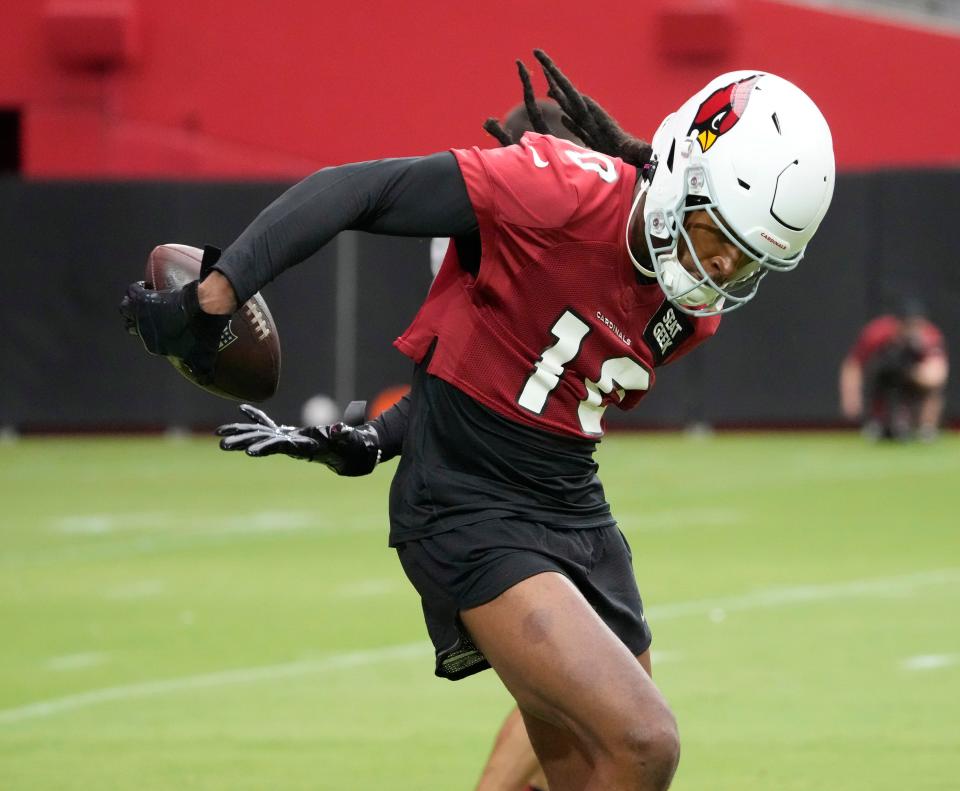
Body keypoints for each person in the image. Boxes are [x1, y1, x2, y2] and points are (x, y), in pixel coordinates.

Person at [121, 50, 835, 791]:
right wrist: (214, 297)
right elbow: (358, 190)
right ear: (686, 169)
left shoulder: (691, 315)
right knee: (644, 740)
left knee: (594, 764)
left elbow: (520, 384)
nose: (717, 269)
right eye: (715, 235)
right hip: (468, 502)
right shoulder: (558, 193)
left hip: (571, 503)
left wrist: (379, 436)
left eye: (743, 261)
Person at [840, 300, 948, 441]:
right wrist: (851, 398)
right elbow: (853, 364)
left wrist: (911, 373)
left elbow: (937, 374)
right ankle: (878, 422)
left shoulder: (929, 336)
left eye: (916, 325)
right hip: (885, 377)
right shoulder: (878, 332)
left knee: (932, 388)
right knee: (883, 377)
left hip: (914, 376)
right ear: (897, 323)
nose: (912, 330)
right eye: (908, 325)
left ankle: (926, 428)